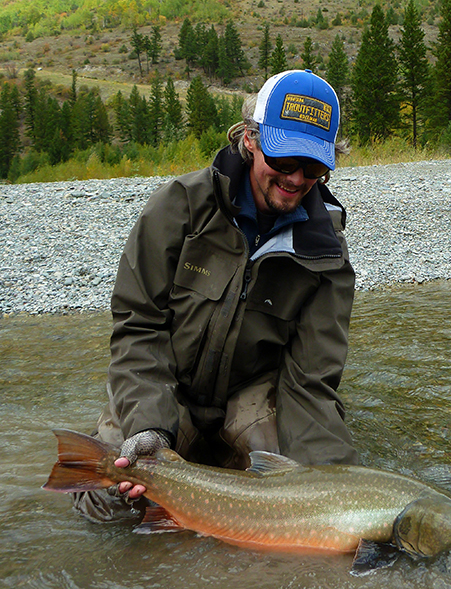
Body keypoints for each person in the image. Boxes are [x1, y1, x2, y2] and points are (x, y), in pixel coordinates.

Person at [74, 68, 358, 522]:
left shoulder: (326, 255)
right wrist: (150, 425)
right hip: (169, 386)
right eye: (285, 161)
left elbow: (310, 383)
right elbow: (138, 329)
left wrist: (338, 494)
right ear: (250, 139)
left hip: (250, 400)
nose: (296, 179)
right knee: (108, 506)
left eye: (313, 167)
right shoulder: (179, 207)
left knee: (294, 508)